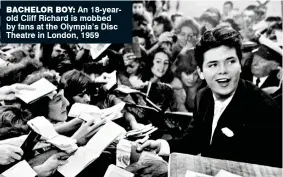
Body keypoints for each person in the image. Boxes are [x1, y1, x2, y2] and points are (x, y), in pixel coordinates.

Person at [137, 27, 282, 167]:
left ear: (240, 65)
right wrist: (161, 145)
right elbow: (193, 140)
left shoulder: (266, 110)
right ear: (201, 72)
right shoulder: (203, 96)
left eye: (230, 62)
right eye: (213, 65)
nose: (223, 71)